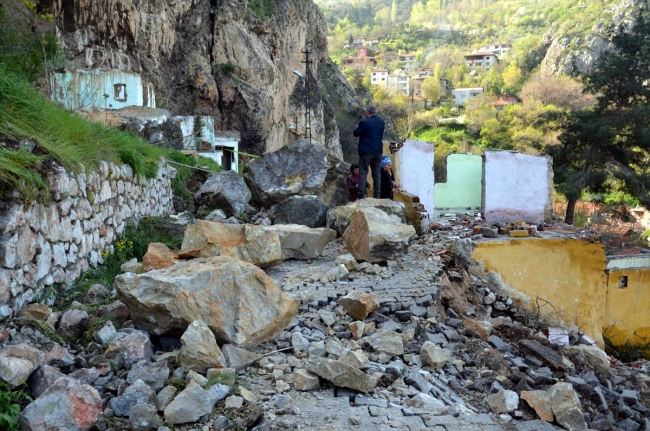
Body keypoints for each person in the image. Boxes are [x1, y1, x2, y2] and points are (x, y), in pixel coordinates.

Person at [353, 105, 385, 198]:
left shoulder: (364, 122)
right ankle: (377, 195)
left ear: (368, 112)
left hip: (366, 151)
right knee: (377, 173)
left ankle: (362, 194)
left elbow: (356, 133)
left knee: (363, 172)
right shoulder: (381, 122)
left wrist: (357, 127)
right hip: (378, 151)